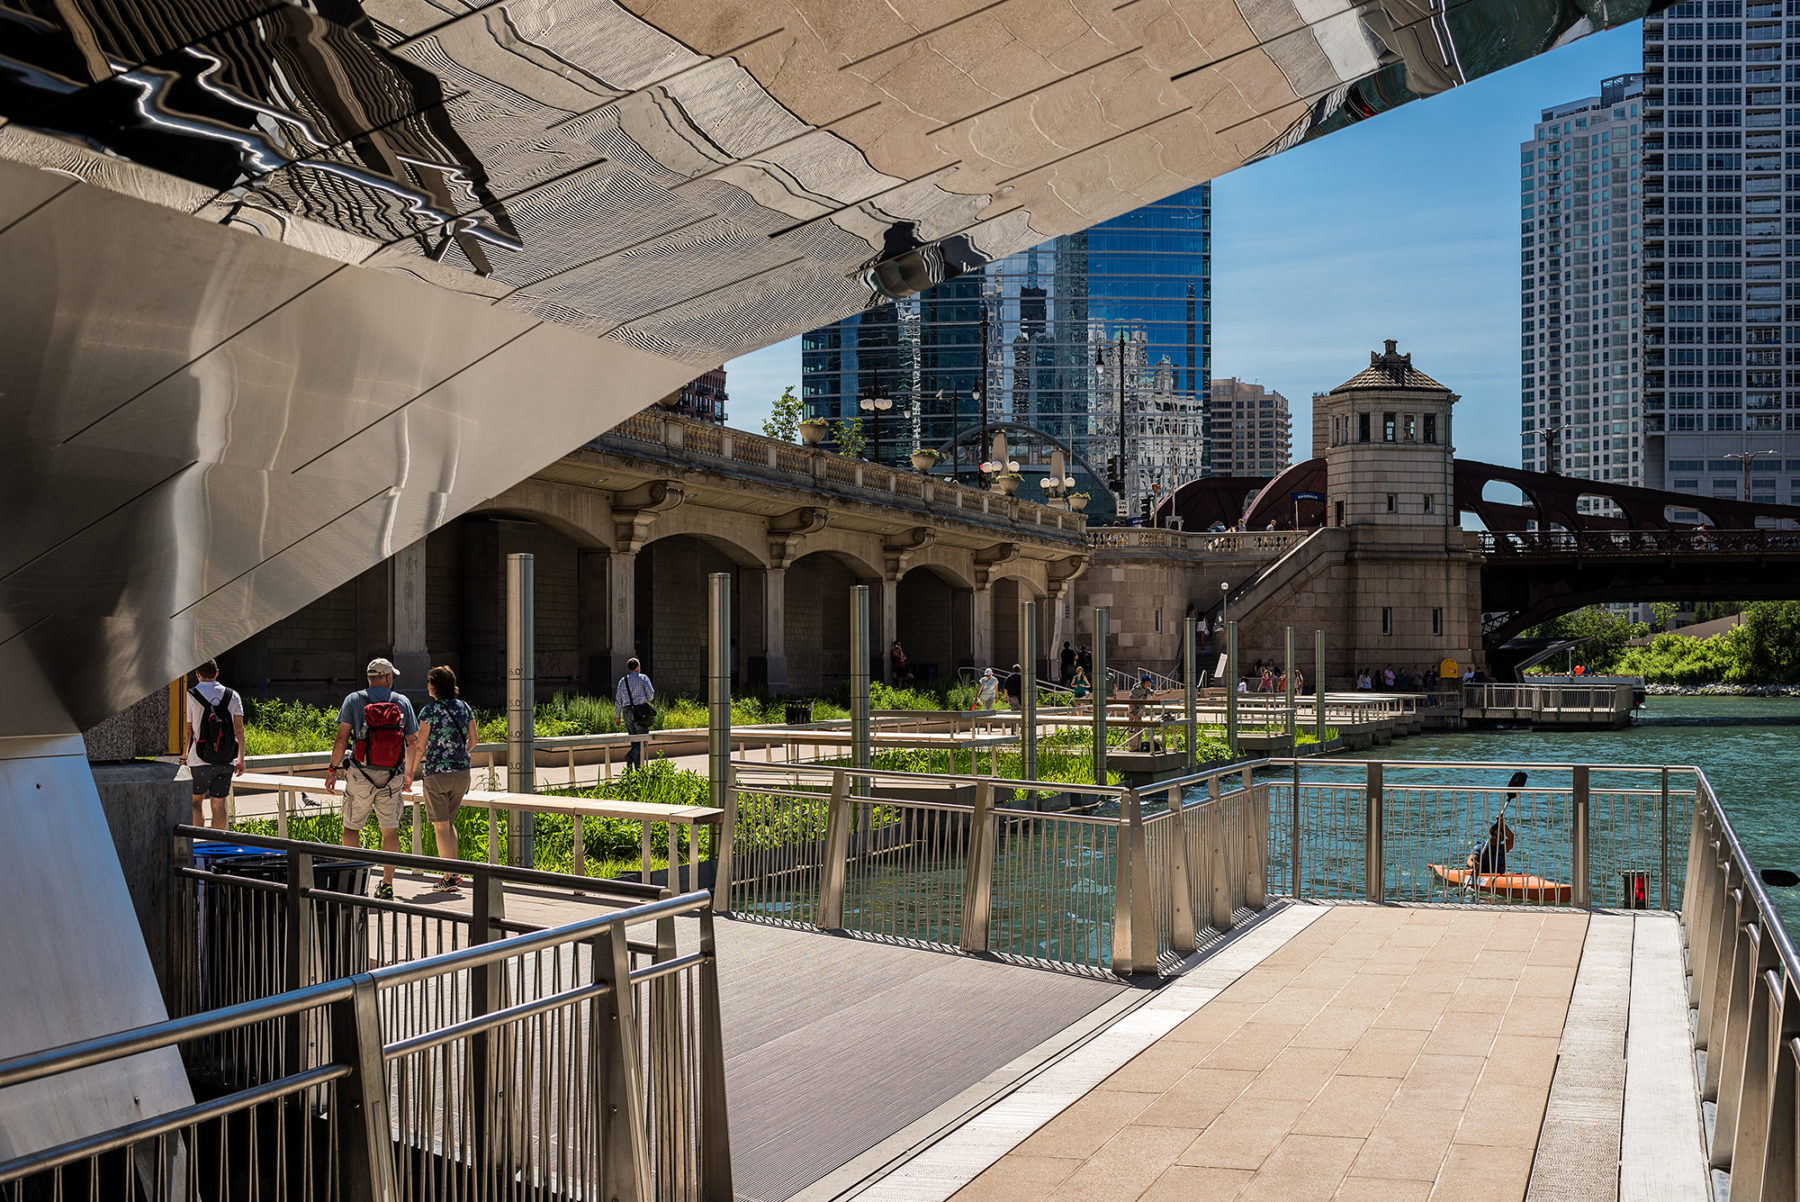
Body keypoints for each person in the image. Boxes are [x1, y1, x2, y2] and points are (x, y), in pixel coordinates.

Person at [325, 658, 420, 901]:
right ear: (388, 677)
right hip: (391, 776)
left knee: (351, 826)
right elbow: (413, 742)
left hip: (360, 774)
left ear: (369, 678)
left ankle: (352, 883)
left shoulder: (354, 699)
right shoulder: (401, 701)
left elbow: (341, 739)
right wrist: (408, 774)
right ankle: (387, 884)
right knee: (389, 831)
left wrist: (332, 769)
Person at [411, 665, 479, 891]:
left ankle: (448, 877)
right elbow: (474, 741)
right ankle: (453, 873)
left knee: (440, 827)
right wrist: (459, 755)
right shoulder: (465, 707)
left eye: (429, 683)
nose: (427, 687)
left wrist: (410, 772)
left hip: (437, 774)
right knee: (449, 823)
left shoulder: (429, 711)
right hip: (462, 773)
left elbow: (420, 745)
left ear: (435, 685)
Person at [185, 658, 245, 830]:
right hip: (226, 760)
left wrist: (183, 757)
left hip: (199, 760)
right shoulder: (232, 695)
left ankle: (199, 841)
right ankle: (216, 845)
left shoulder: (191, 695)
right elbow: (239, 730)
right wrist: (241, 759)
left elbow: (188, 731)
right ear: (217, 672)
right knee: (219, 805)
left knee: (195, 802)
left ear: (197, 674)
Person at [616, 657, 657, 770]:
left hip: (626, 711)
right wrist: (644, 699)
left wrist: (617, 716)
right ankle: (631, 755)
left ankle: (638, 769)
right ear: (638, 667)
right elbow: (651, 695)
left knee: (634, 740)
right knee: (642, 740)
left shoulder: (622, 680)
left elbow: (618, 699)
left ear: (629, 668)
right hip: (640, 713)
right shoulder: (643, 678)